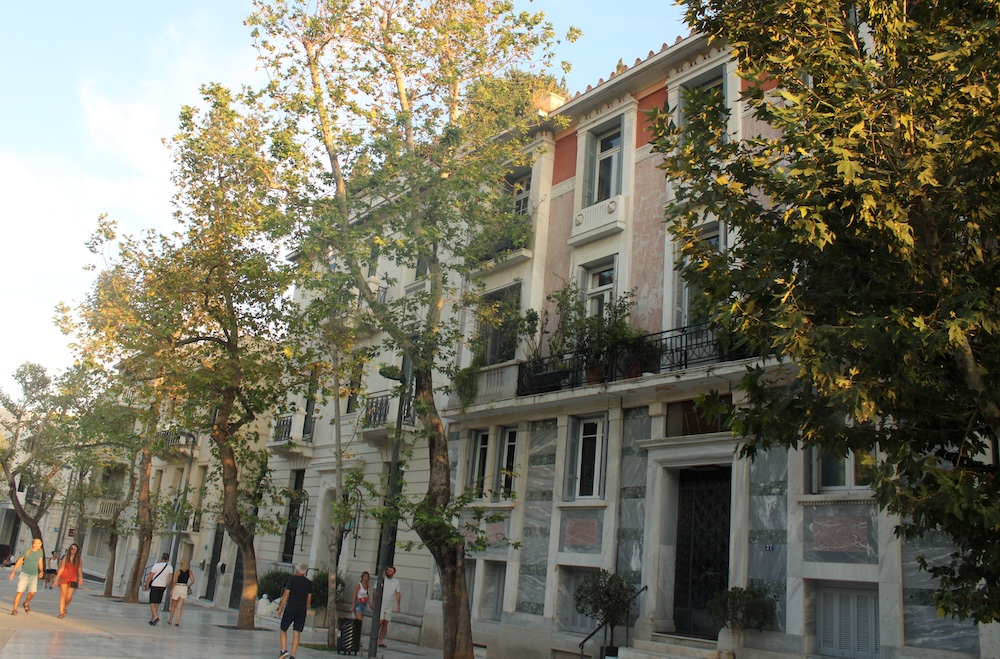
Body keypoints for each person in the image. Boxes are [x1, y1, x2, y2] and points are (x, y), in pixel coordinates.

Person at [276, 563, 312, 659]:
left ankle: (283, 650)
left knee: (283, 628)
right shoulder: (309, 583)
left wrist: (280, 608)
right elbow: (309, 599)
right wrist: (305, 609)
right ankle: (293, 655)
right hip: (301, 610)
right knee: (297, 632)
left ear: (297, 570)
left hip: (291, 608)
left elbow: (286, 594)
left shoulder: (292, 579)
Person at [9, 537, 45, 615]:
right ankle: (14, 609)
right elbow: (19, 561)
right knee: (20, 592)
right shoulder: (27, 551)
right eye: (39, 543)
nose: (40, 545)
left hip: (34, 574)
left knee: (32, 592)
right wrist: (13, 572)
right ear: (34, 544)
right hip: (25, 574)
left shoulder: (40, 552)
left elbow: (40, 562)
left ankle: (26, 603)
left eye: (41, 543)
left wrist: (41, 571)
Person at [143, 552, 173, 625]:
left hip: (155, 585)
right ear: (167, 559)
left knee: (152, 602)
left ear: (161, 558)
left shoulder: (156, 566)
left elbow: (150, 576)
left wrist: (145, 584)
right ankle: (152, 619)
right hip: (162, 586)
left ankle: (155, 617)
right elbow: (170, 579)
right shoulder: (170, 567)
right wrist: (166, 585)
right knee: (157, 603)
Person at [54, 543, 82, 618]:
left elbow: (79, 569)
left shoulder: (78, 559)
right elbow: (61, 568)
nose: (73, 550)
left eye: (74, 549)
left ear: (77, 550)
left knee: (69, 597)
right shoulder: (65, 558)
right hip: (64, 577)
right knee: (63, 595)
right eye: (72, 548)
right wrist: (56, 579)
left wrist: (80, 578)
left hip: (73, 578)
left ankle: (64, 608)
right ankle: (61, 612)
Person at [377, 566, 402, 648]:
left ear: (393, 573)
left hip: (389, 605)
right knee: (380, 621)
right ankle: (374, 635)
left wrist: (398, 605)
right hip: (381, 604)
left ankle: (380, 641)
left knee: (385, 623)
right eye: (388, 570)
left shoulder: (396, 582)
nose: (388, 572)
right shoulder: (382, 579)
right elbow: (375, 590)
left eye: (391, 571)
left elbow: (398, 593)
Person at [167, 558, 195, 626]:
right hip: (184, 588)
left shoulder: (178, 571)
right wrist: (188, 586)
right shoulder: (189, 572)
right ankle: (177, 621)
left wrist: (172, 589)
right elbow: (193, 580)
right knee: (180, 606)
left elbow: (175, 581)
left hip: (177, 587)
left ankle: (170, 620)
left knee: (173, 605)